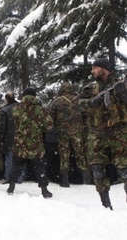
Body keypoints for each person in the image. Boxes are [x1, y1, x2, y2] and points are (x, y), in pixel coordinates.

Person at [79, 58, 127, 210]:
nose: (92, 71)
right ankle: (106, 207)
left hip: (119, 132)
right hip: (97, 133)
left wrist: (123, 95)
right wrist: (91, 102)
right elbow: (77, 103)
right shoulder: (91, 89)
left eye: (95, 68)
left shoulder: (121, 85)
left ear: (104, 69)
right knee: (97, 170)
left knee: (125, 169)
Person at [7, 87, 53, 198]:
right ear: (34, 96)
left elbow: (14, 120)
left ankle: (11, 187)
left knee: (16, 166)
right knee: (40, 168)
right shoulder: (41, 110)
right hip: (35, 144)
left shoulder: (16, 108)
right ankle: (44, 190)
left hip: (20, 143)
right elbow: (49, 125)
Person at [49, 82, 91, 187]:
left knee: (64, 155)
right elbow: (86, 115)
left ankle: (65, 180)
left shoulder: (56, 102)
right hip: (77, 132)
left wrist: (54, 128)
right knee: (80, 154)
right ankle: (85, 180)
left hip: (62, 132)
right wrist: (83, 128)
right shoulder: (79, 101)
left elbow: (50, 118)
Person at [0, 91, 18, 183]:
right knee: (19, 157)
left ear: (6, 99)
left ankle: (9, 177)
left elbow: (2, 127)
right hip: (21, 137)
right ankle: (20, 177)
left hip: (9, 137)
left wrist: (1, 138)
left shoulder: (4, 110)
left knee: (9, 157)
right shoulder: (21, 107)